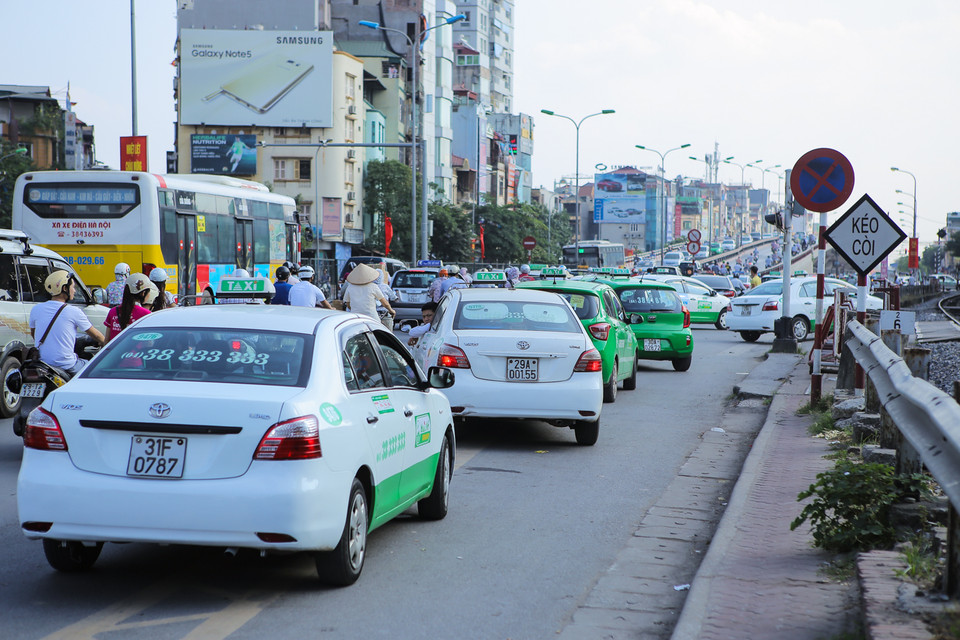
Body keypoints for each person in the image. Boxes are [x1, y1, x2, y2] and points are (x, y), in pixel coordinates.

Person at [29, 271, 106, 375]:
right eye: (72, 287)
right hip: (67, 365)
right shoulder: (73, 311)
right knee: (96, 370)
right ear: (65, 288)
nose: (74, 290)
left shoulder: (36, 309)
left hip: (41, 364)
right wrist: (108, 344)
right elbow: (96, 335)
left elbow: (34, 334)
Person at [104, 273, 155, 343]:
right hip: (136, 353)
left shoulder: (113, 312)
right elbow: (149, 344)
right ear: (143, 293)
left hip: (117, 353)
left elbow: (106, 341)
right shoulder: (146, 314)